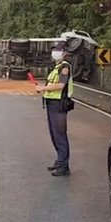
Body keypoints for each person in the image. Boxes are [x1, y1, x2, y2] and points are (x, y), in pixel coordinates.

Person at [35, 41, 74, 176]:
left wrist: (43, 88)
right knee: (54, 135)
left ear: (64, 53)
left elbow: (60, 86)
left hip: (59, 105)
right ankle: (60, 160)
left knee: (60, 134)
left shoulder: (65, 67)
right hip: (52, 104)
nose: (55, 52)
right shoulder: (56, 66)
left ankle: (64, 166)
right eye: (54, 50)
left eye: (58, 50)